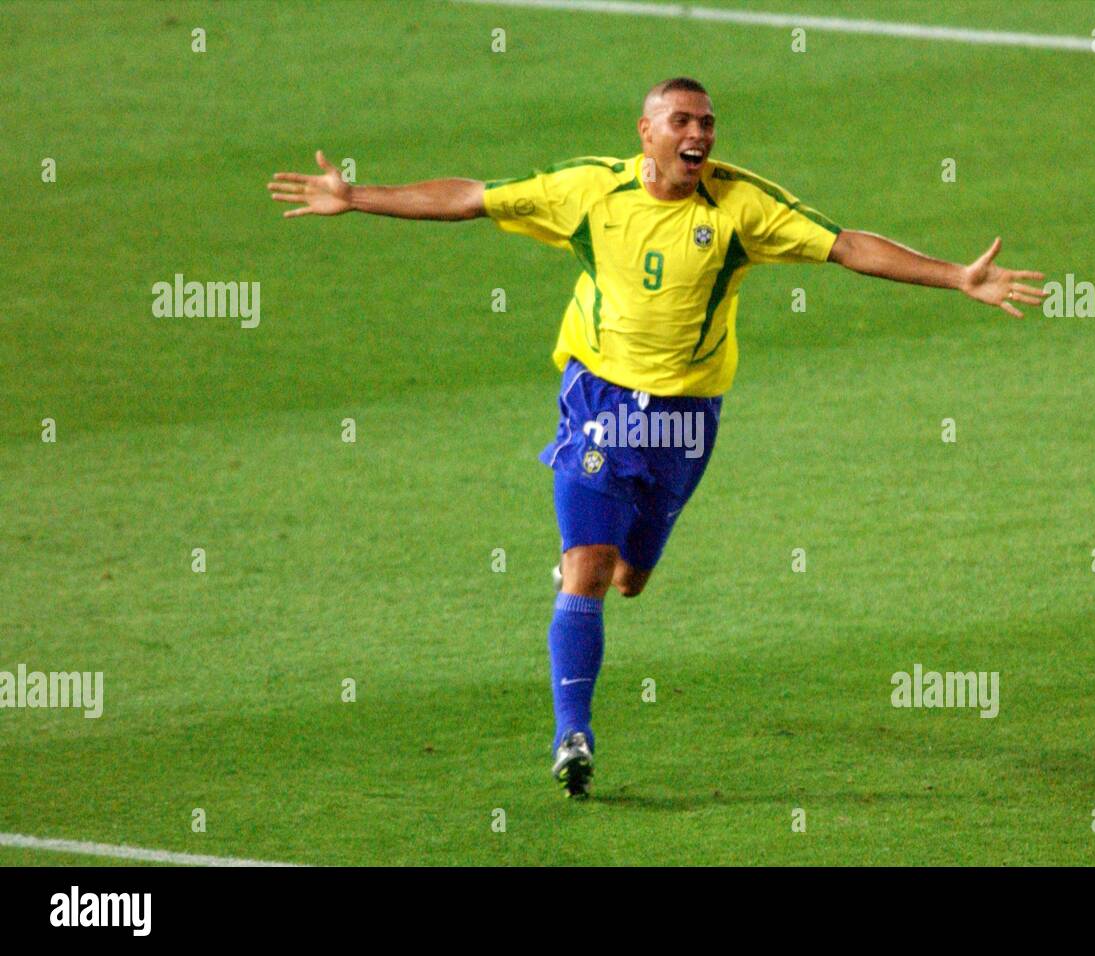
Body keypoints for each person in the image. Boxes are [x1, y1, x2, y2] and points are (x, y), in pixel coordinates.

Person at [267, 76, 1045, 798]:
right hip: (599, 395)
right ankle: (573, 734)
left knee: (630, 578)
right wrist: (357, 196)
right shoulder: (588, 190)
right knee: (589, 569)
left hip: (685, 420)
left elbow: (844, 245)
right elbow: (472, 197)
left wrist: (955, 276)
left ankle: (593, 565)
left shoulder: (742, 206)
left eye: (707, 122)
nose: (699, 133)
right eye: (683, 121)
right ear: (647, 132)